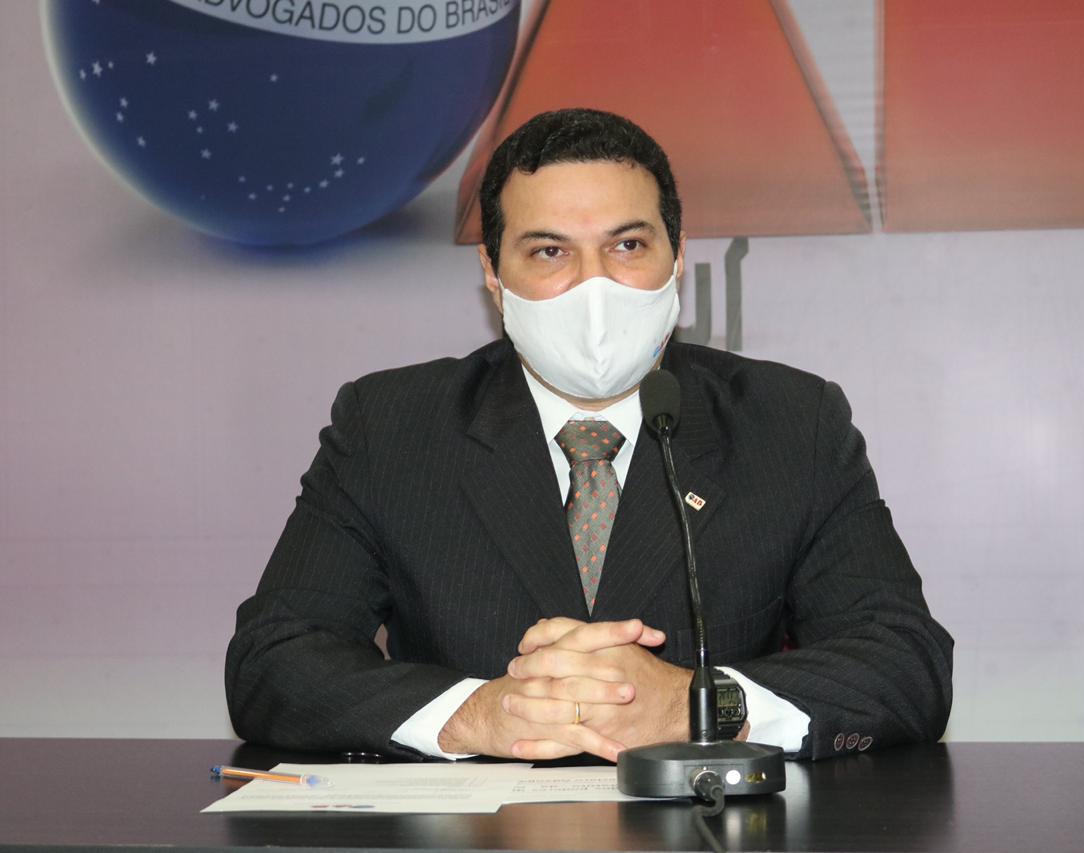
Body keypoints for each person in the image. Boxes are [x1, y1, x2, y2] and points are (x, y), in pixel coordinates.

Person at [226, 108, 953, 763]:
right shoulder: (391, 426)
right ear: (491, 272)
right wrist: (478, 715)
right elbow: (273, 658)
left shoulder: (791, 422)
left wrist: (695, 705)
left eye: (627, 245)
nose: (594, 286)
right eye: (549, 251)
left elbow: (905, 662)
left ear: (678, 255)